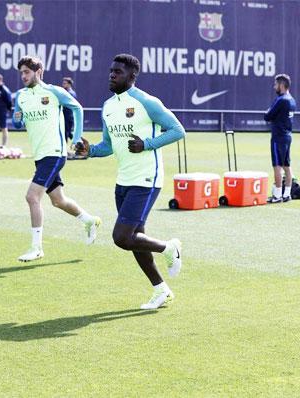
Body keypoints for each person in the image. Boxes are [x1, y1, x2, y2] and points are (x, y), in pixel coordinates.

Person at [75, 54, 185, 310]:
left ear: (132, 76)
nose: (112, 75)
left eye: (118, 72)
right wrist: (89, 150)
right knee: (135, 238)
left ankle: (169, 248)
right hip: (123, 180)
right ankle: (161, 290)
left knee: (122, 237)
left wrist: (147, 144)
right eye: (111, 71)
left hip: (146, 180)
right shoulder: (108, 106)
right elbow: (108, 146)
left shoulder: (147, 102)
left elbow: (178, 130)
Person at [12, 56, 101, 262]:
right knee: (58, 201)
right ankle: (89, 220)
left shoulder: (54, 92)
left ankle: (37, 248)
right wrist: (17, 119)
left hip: (55, 153)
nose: (23, 76)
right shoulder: (21, 96)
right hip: (40, 155)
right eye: (21, 73)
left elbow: (77, 108)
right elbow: (18, 122)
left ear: (38, 71)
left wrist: (77, 138)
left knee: (32, 197)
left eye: (26, 72)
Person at [264, 74, 297, 203]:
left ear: (282, 85)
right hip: (288, 136)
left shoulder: (281, 99)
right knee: (287, 166)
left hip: (278, 137)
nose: (274, 87)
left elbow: (268, 116)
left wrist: (267, 112)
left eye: (276, 84)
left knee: (277, 166)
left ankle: (277, 195)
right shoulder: (292, 99)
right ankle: (287, 194)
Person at [61, 77, 77, 157]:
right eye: (63, 83)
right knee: (69, 134)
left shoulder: (71, 93)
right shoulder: (66, 92)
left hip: (68, 117)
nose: (63, 84)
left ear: (69, 84)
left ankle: (65, 151)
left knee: (66, 134)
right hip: (65, 117)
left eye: (65, 83)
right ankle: (79, 145)